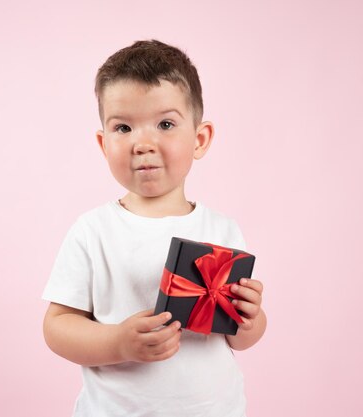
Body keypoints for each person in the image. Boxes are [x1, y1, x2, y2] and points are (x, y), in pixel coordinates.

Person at [42, 39, 267, 417]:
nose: (142, 143)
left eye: (165, 124)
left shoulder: (223, 230)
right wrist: (118, 342)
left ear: (200, 138)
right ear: (103, 143)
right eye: (124, 127)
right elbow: (57, 326)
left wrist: (250, 318)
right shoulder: (93, 231)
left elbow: (241, 339)